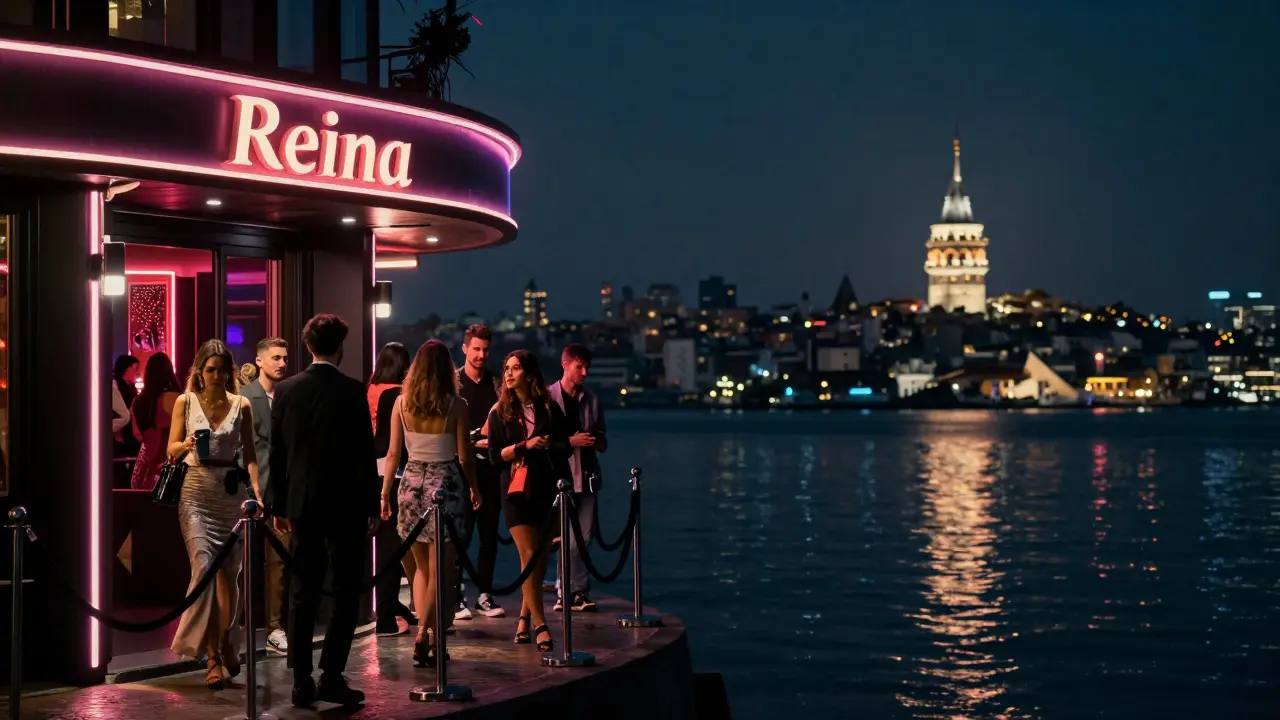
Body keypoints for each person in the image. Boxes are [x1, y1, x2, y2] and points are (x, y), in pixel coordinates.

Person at [266, 314, 376, 709]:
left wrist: (279, 504)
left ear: (308, 346)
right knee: (345, 592)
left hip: (302, 503)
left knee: (302, 592)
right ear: (340, 347)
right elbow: (363, 454)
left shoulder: (287, 390)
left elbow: (277, 453)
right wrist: (372, 506)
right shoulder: (352, 391)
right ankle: (331, 675)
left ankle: (301, 680)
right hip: (346, 504)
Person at [167, 339, 263, 690]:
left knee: (229, 575)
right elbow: (170, 450)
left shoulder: (241, 404)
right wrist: (186, 444)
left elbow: (250, 455)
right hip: (195, 491)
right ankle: (211, 657)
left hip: (230, 493)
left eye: (222, 370)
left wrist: (257, 493)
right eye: (210, 370)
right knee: (204, 569)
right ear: (199, 371)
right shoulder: (185, 401)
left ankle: (226, 640)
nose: (217, 376)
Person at [380, 340, 481, 667]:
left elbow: (393, 454)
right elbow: (465, 457)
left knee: (422, 568)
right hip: (445, 486)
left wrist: (384, 493)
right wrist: (475, 489)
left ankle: (428, 635)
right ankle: (427, 634)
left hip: (410, 484)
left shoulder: (401, 403)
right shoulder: (457, 405)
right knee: (442, 569)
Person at [485, 349, 571, 653]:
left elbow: (566, 447)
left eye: (516, 368)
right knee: (530, 554)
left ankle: (523, 618)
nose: (509, 374)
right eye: (506, 368)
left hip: (546, 490)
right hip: (515, 490)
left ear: (530, 374)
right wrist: (525, 446)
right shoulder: (499, 412)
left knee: (538, 559)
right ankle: (541, 625)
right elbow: (494, 455)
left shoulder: (549, 408)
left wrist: (548, 445)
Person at [240, 337, 290, 657]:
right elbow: (241, 449)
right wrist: (251, 488)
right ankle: (235, 629)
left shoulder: (288, 396)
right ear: (259, 360)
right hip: (250, 493)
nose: (282, 363)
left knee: (279, 564)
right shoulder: (245, 397)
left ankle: (274, 629)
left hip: (281, 493)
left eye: (284, 358)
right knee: (241, 564)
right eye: (276, 358)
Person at [549, 343, 608, 613]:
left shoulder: (592, 400)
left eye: (587, 368)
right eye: (579, 367)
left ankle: (577, 592)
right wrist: (571, 441)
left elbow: (603, 441)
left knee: (583, 539)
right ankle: (565, 590)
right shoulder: (548, 398)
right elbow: (541, 440)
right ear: (565, 365)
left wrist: (594, 441)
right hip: (557, 480)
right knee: (564, 540)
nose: (584, 373)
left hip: (586, 477)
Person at [455, 324, 506, 620]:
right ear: (465, 348)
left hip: (490, 471)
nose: (481, 355)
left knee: (488, 536)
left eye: (485, 350)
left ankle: (484, 594)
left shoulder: (497, 385)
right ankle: (456, 595)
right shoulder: (454, 383)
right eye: (476, 349)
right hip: (460, 472)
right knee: (459, 536)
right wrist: (475, 440)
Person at [368, 342, 417, 636]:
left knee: (387, 545)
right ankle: (386, 614)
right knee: (392, 547)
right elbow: (394, 445)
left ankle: (393, 606)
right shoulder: (397, 395)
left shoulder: (370, 390)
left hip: (371, 472)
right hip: (393, 473)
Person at [129, 353, 182, 490]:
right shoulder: (175, 399)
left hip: (143, 468)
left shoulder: (137, 402)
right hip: (168, 467)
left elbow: (136, 434)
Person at [112, 355, 141, 460]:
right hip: (121, 437)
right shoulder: (115, 387)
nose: (138, 373)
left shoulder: (131, 388)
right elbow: (124, 415)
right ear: (127, 369)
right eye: (135, 368)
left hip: (130, 435)